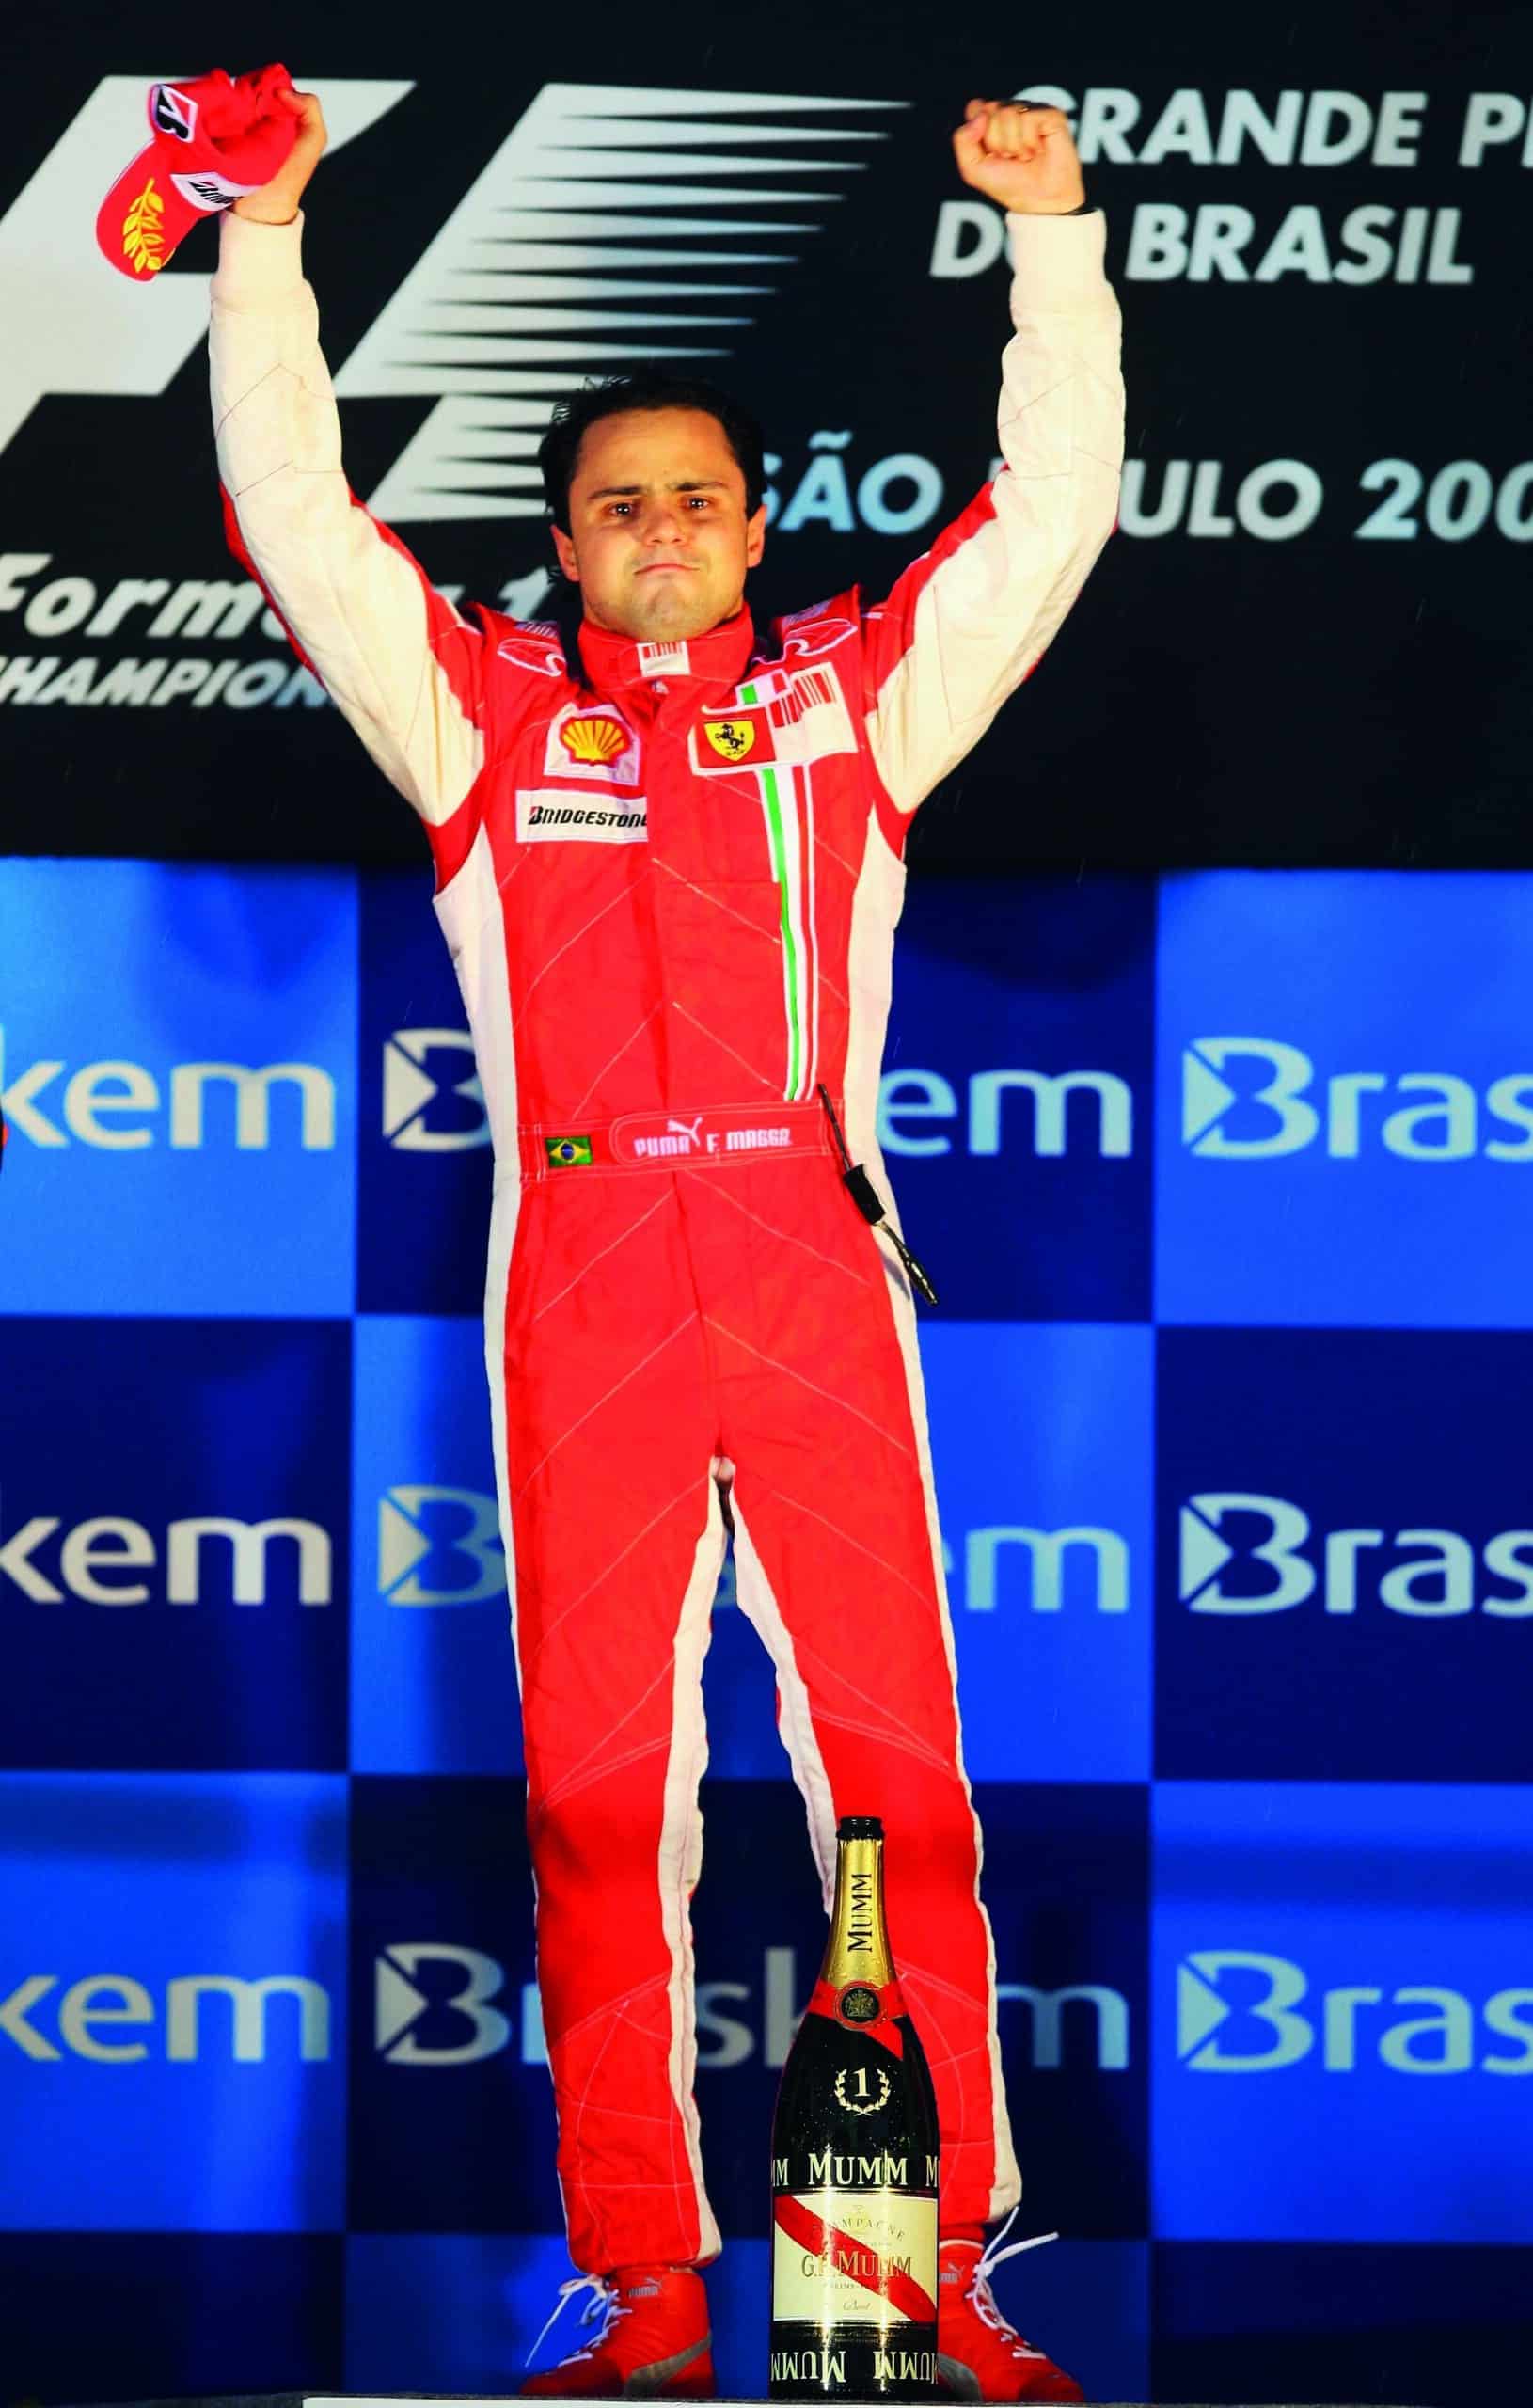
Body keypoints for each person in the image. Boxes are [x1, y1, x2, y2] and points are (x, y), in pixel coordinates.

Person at [209, 77, 1123, 2401]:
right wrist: (265, 232)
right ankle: (645, 2277)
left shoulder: (846, 703)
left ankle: (910, 2271)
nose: (654, 535)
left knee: (892, 1791)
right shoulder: (480, 725)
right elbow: (295, 514)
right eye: (612, 506)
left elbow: (1051, 516)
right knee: (601, 1797)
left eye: (691, 503)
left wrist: (1053, 246)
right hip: (588, 1274)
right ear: (565, 538)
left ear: (747, 530)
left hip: (810, 1255)